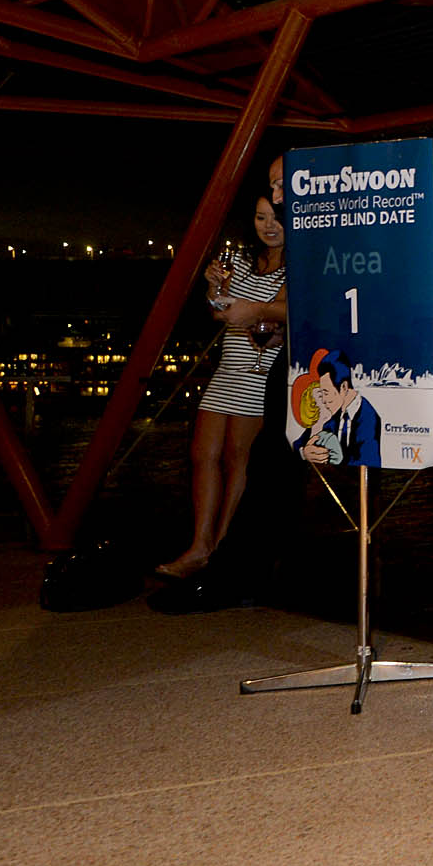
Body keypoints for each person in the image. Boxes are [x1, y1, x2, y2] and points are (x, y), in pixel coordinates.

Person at [155, 195, 287, 580]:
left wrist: (252, 311)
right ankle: (199, 545)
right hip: (228, 368)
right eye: (261, 217)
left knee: (236, 457)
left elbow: (281, 313)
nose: (268, 225)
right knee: (202, 455)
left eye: (276, 218)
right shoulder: (244, 259)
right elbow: (219, 310)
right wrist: (214, 286)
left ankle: (223, 547)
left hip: (261, 372)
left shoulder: (298, 266)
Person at [294, 351, 381, 467]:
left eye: (326, 392)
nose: (324, 400)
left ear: (344, 387)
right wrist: (305, 452)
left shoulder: (367, 417)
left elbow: (369, 464)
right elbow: (297, 443)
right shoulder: (333, 414)